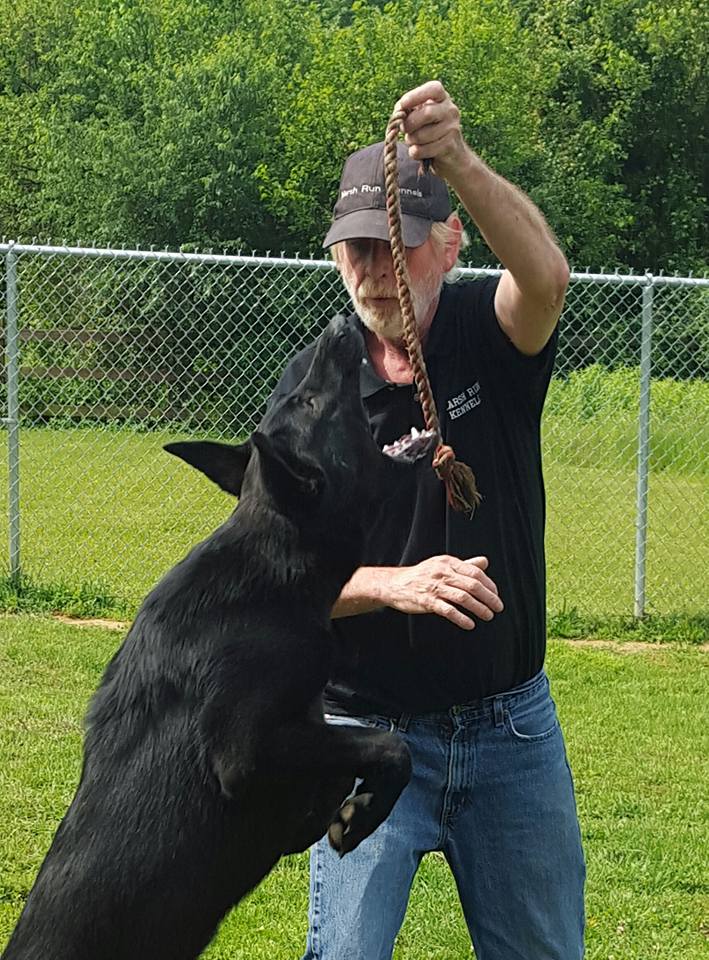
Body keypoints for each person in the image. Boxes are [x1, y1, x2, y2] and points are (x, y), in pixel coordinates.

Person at [266, 80, 585, 960]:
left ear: (446, 244)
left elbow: (547, 275)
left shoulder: (489, 335)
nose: (373, 268)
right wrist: (390, 585)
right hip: (367, 737)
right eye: (355, 247)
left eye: (395, 244)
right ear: (334, 255)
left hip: (511, 731)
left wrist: (456, 161)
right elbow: (272, 582)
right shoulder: (309, 393)